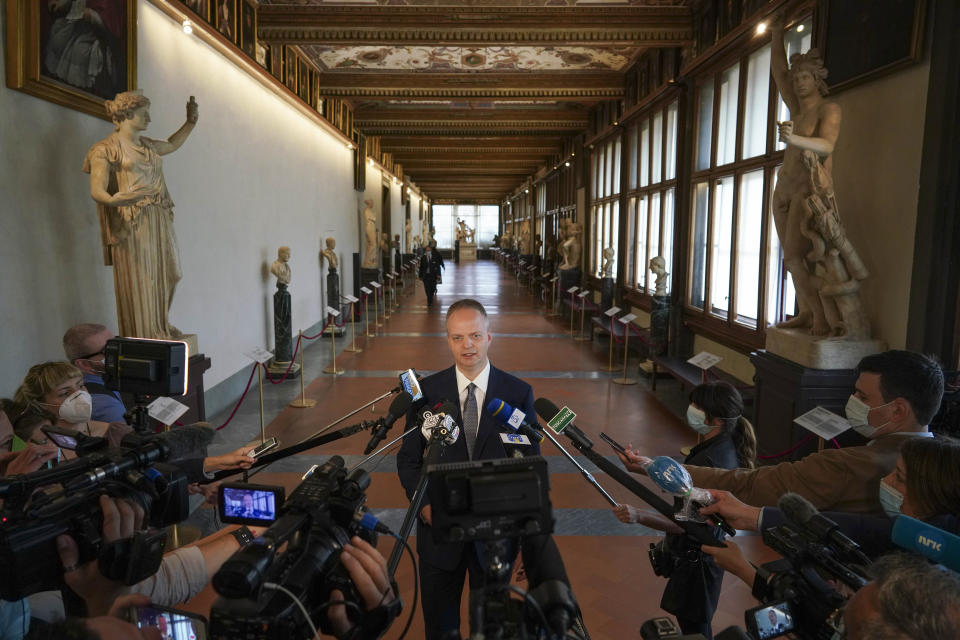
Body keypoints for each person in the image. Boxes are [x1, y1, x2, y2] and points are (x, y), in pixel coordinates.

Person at [617, 350, 944, 516]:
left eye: (862, 396)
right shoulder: (944, 467)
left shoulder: (848, 463)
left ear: (898, 410)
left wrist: (657, 467)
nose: (852, 402)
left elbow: (748, 484)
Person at [397, 299, 541, 639]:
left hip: (496, 539)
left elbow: (530, 469)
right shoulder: (426, 394)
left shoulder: (518, 394)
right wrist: (427, 508)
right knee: (440, 627)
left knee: (490, 628)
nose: (467, 346)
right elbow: (408, 459)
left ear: (490, 337)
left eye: (475, 335)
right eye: (458, 338)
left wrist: (526, 539)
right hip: (438, 535)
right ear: (447, 340)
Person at [614, 382, 757, 639]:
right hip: (703, 556)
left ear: (715, 419)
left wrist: (638, 515)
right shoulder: (723, 447)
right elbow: (683, 482)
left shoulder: (709, 459)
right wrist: (645, 466)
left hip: (698, 562)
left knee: (696, 630)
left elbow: (685, 523)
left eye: (697, 406)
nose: (691, 409)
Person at [699, 435, 960, 570]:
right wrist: (753, 515)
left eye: (899, 477)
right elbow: (862, 527)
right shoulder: (922, 527)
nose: (887, 481)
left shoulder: (941, 545)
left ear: (931, 492)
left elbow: (861, 530)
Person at [83, 91, 198, 341]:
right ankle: (146, 334)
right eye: (144, 113)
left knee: (171, 273)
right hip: (132, 220)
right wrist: (116, 200)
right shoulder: (105, 149)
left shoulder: (147, 146)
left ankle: (160, 325)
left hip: (159, 216)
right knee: (143, 278)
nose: (149, 118)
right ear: (126, 114)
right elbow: (97, 190)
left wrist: (190, 123)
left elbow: (172, 143)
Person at [62, 323, 127, 424]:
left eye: (117, 343)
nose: (120, 352)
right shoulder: (106, 406)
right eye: (108, 350)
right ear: (84, 364)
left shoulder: (104, 378)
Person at [418, 240, 445, 307]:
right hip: (426, 276)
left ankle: (431, 296)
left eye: (429, 250)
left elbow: (438, 264)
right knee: (427, 289)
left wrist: (439, 273)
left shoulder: (435, 256)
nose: (428, 252)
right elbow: (421, 267)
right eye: (427, 251)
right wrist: (420, 276)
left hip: (433, 275)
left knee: (432, 288)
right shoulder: (423, 258)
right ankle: (429, 301)